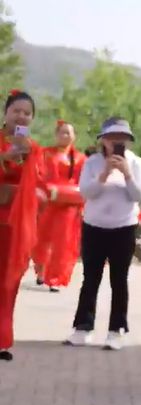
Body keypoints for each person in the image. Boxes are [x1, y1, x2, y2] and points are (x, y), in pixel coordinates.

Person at [64, 117, 141, 350]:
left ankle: (116, 330)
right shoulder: (92, 163)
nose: (117, 142)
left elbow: (138, 196)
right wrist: (105, 173)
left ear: (128, 142)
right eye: (112, 138)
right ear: (104, 141)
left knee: (119, 280)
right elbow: (86, 192)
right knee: (91, 278)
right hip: (94, 227)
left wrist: (126, 173)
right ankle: (83, 327)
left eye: (122, 138)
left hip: (124, 228)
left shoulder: (137, 163)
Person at [0, 89, 45, 362]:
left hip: (15, 225)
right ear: (5, 113)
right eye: (17, 110)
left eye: (27, 113)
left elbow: (40, 185)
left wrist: (27, 159)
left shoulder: (35, 149)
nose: (22, 116)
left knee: (8, 282)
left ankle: (2, 340)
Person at [33, 120, 87, 292]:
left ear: (74, 136)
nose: (65, 135)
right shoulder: (44, 154)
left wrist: (67, 193)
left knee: (63, 244)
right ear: (56, 135)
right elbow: (37, 176)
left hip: (69, 207)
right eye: (62, 132)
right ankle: (41, 271)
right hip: (47, 204)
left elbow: (85, 184)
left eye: (68, 132)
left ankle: (55, 279)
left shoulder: (80, 159)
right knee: (41, 240)